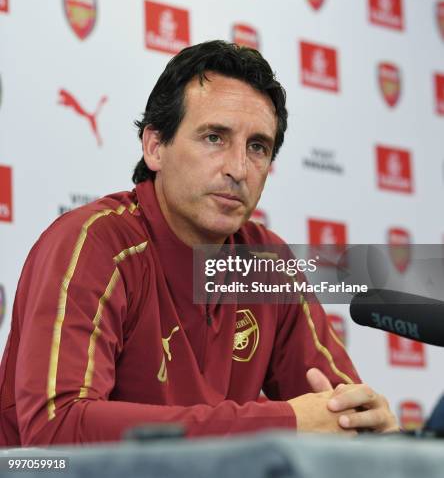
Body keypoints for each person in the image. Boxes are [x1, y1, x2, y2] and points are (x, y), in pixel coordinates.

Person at [0, 41, 398, 446]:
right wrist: (281, 422)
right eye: (214, 138)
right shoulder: (93, 245)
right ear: (155, 146)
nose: (238, 169)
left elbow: (345, 414)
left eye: (257, 147)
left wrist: (371, 429)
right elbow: (56, 431)